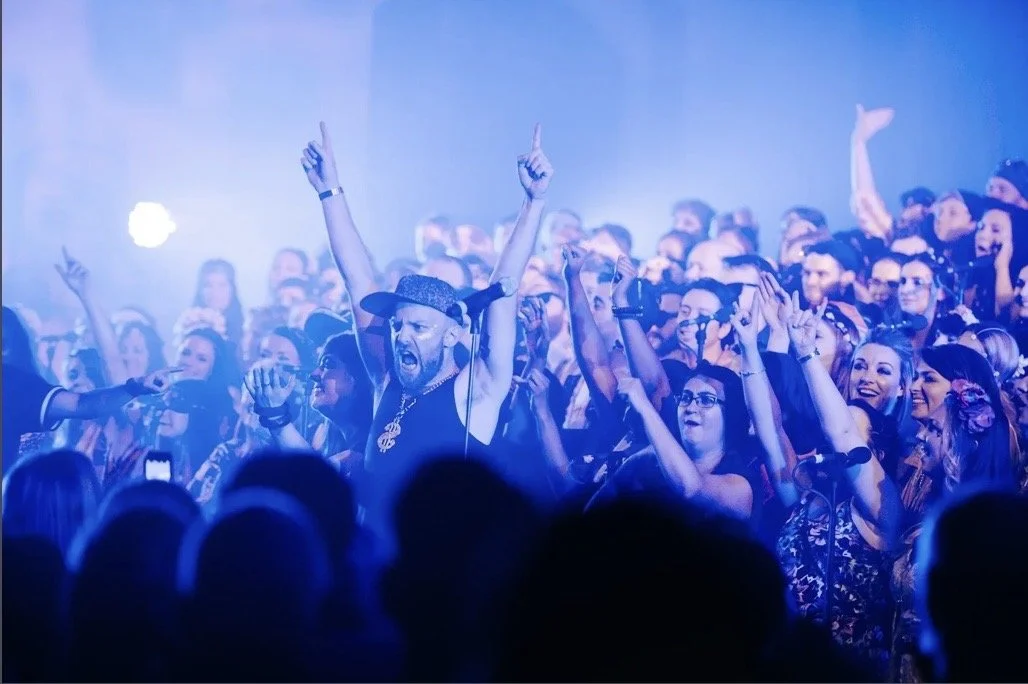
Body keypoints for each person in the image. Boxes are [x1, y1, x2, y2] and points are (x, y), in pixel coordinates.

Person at [288, 121, 551, 553]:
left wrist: (533, 202)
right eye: (397, 326)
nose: (401, 337)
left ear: (452, 335)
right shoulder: (385, 382)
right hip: (379, 577)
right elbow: (358, 279)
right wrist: (329, 192)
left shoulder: (477, 391)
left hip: (444, 585)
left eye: (419, 327)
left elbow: (506, 286)